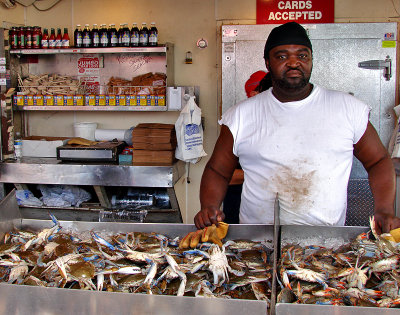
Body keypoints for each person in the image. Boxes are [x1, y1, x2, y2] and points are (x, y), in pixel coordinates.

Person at [195, 22, 400, 234]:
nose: (294, 63)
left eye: (302, 56)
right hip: (256, 243)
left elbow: (378, 161)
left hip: (324, 244)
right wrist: (209, 207)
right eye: (282, 56)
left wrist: (384, 209)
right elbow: (217, 170)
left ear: (311, 60)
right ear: (267, 62)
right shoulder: (240, 116)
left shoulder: (348, 109)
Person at [223, 71, 272, 224]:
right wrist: (265, 174)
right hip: (238, 207)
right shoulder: (239, 123)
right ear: (253, 93)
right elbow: (225, 175)